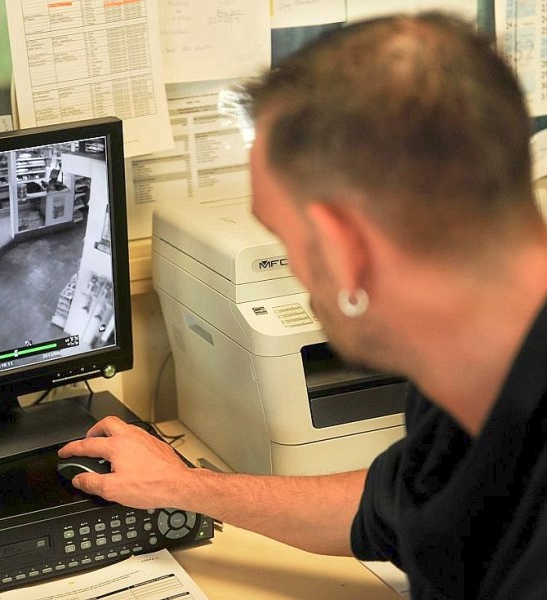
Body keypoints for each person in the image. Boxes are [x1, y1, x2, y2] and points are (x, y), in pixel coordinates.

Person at [59, 12, 547, 599]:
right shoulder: (467, 373)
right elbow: (388, 508)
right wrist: (185, 485)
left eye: (281, 236)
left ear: (342, 249)